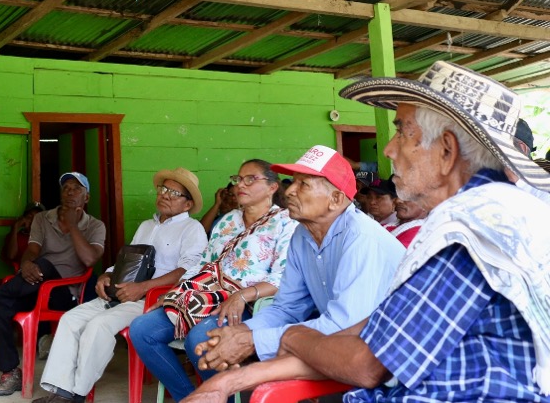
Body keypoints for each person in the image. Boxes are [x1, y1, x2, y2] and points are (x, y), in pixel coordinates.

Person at [183, 61, 550, 403]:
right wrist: (233, 378)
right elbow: (372, 332)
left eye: (402, 132)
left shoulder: (471, 231)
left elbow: (366, 362)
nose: (388, 149)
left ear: (446, 151)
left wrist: (290, 337)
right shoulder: (488, 215)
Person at [191, 146, 404, 380]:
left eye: (303, 184)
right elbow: (287, 309)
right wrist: (241, 332)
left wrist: (251, 340)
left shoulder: (360, 237)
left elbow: (343, 327)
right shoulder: (302, 235)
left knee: (258, 377)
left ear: (335, 199)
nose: (290, 191)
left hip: (389, 365)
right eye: (293, 182)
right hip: (344, 353)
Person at [32, 168, 208, 403]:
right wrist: (106, 276)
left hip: (152, 300)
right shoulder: (147, 226)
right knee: (70, 319)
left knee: (98, 325)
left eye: (174, 193)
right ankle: (60, 390)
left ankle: (77, 394)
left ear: (188, 204)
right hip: (123, 293)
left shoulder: (192, 229)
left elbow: (188, 271)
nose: (165, 195)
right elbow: (127, 260)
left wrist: (143, 287)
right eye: (163, 189)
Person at [128, 160, 299, 402]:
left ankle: (220, 397)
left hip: (250, 304)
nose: (241, 185)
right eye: (238, 179)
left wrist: (241, 296)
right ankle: (189, 398)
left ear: (272, 187)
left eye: (250, 179)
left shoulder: (286, 223)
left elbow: (282, 277)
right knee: (142, 329)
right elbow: (204, 263)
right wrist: (177, 291)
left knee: (200, 339)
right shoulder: (228, 221)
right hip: (206, 296)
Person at [0, 172, 106, 396]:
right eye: (66, 188)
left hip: (66, 293)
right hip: (35, 286)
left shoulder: (95, 226)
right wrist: (25, 264)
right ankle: (11, 372)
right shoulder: (43, 218)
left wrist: (73, 226)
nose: (70, 192)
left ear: (87, 197)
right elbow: (32, 250)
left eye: (76, 188)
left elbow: (90, 259)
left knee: (44, 264)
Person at [2, 201, 47, 269]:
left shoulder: (46, 236)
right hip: (24, 271)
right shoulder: (16, 236)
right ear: (24, 219)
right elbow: (11, 256)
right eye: (29, 217)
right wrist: (15, 228)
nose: (33, 221)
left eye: (37, 218)